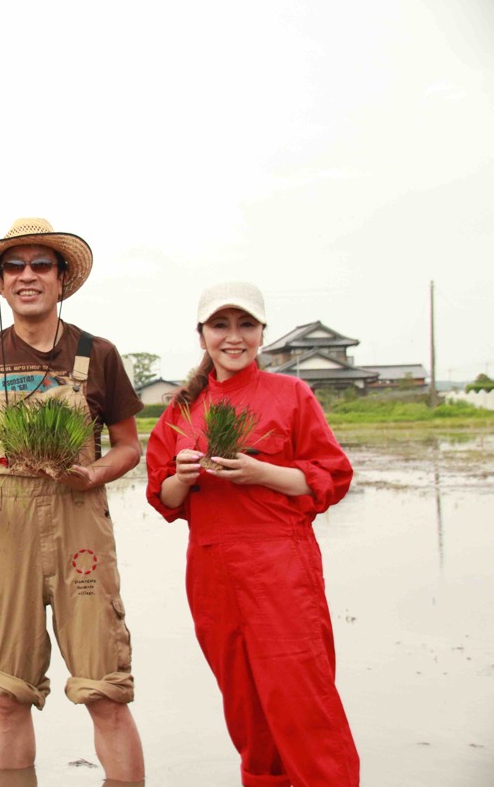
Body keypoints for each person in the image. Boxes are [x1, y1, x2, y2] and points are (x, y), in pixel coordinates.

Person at [0, 218, 146, 781]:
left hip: (80, 525)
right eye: (15, 266)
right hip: (5, 532)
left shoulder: (97, 354)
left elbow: (130, 447)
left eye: (41, 265)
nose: (27, 275)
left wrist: (95, 471)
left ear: (62, 279)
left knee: (105, 692)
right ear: (1, 282)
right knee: (9, 693)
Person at [145, 281, 359, 787]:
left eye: (246, 324)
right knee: (244, 706)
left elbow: (331, 477)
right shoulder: (183, 407)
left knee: (303, 699)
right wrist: (183, 476)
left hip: (281, 567)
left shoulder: (292, 394)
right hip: (212, 571)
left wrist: (262, 473)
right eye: (220, 325)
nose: (233, 337)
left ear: (263, 333)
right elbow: (164, 498)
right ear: (202, 336)